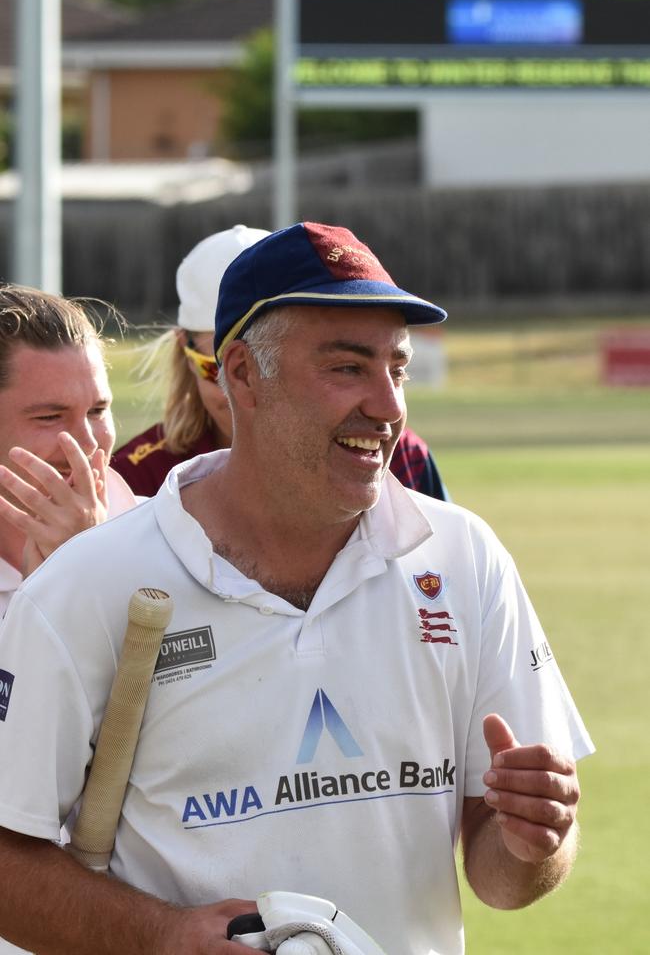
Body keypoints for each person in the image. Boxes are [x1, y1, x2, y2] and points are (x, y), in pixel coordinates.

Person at [0, 223, 594, 955]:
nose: (387, 406)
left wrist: (537, 840)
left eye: (397, 370)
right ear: (242, 374)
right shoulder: (92, 581)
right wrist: (162, 938)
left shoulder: (465, 558)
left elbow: (502, 878)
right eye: (348, 369)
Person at [111, 225, 448, 501]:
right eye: (213, 368)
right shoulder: (136, 476)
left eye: (397, 371)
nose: (236, 392)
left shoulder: (399, 457)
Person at [0, 284, 138, 619]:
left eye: (97, 411)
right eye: (49, 417)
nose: (89, 443)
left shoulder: (178, 539)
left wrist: (91, 562)